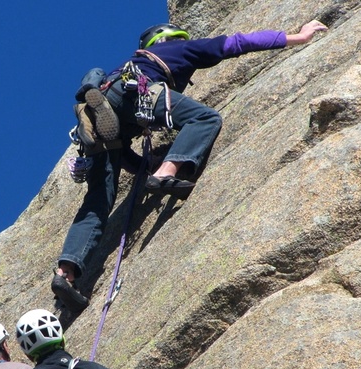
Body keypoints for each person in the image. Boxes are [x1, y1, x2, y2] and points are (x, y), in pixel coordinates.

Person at [51, 19, 329, 312]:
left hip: (105, 109)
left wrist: (145, 165)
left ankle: (65, 274)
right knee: (205, 118)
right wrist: (297, 37)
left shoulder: (125, 65)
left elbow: (122, 157)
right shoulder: (175, 49)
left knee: (96, 204)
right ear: (167, 39)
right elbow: (235, 43)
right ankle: (167, 173)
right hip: (139, 91)